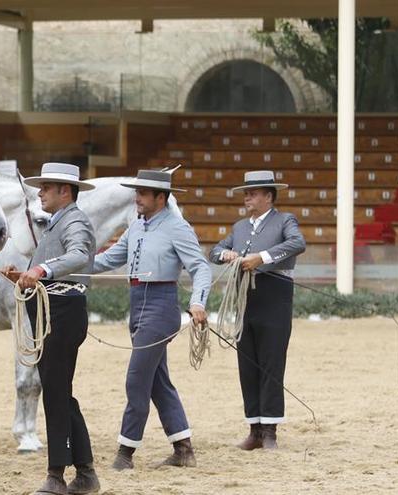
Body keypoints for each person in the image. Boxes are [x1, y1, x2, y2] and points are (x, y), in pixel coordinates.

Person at [92, 168, 211, 470]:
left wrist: (198, 302)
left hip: (160, 307)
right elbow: (109, 259)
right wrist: (65, 266)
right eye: (137, 192)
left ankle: (125, 453)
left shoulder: (177, 227)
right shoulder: (137, 227)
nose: (137, 198)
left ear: (161, 197)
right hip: (138, 305)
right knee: (157, 381)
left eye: (143, 193)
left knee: (136, 380)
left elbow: (201, 268)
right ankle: (183, 449)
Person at [4, 162, 100, 495]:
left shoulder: (75, 221)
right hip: (52, 311)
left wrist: (41, 270)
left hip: (62, 313)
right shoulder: (59, 222)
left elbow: (78, 255)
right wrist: (26, 276)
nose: (40, 193)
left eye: (46, 187)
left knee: (57, 393)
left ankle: (57, 475)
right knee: (59, 392)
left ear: (64, 190)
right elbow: (59, 266)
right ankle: (85, 473)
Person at [209, 170, 306, 450]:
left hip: (274, 296)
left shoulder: (284, 220)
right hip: (244, 299)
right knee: (248, 364)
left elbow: (297, 243)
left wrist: (260, 258)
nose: (247, 198)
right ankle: (254, 429)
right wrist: (225, 254)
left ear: (268, 196)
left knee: (271, 363)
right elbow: (215, 251)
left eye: (252, 193)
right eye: (246, 194)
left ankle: (270, 430)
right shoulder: (240, 227)